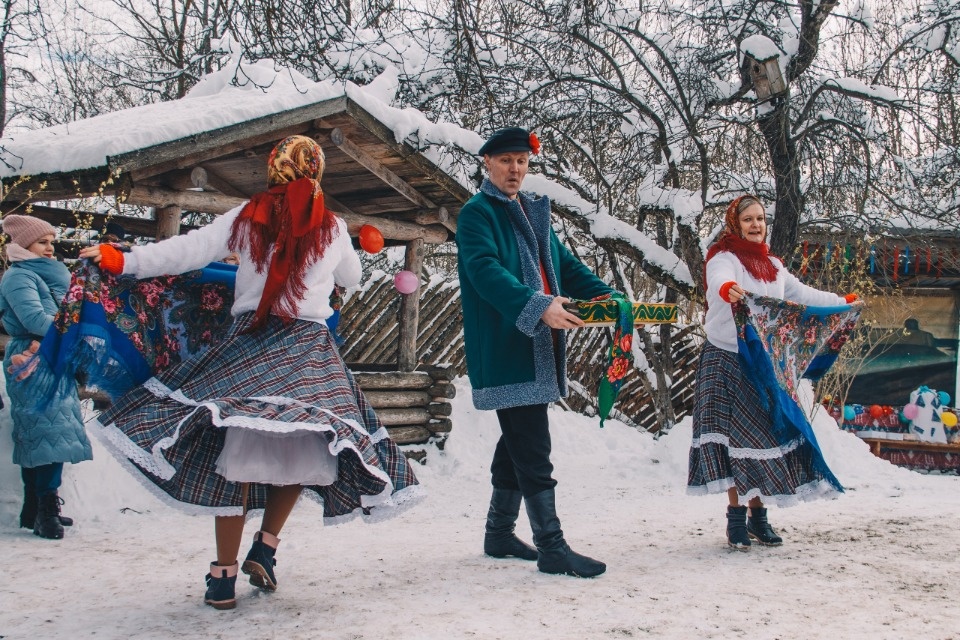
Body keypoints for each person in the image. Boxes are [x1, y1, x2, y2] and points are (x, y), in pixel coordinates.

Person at [78, 135, 421, 609]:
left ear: (273, 168)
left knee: (236, 454)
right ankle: (267, 545)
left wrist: (126, 260)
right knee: (309, 442)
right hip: (306, 350)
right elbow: (351, 280)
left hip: (251, 342)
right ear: (316, 171)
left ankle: (223, 576)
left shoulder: (246, 215)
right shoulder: (333, 225)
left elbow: (187, 251)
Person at [456, 126, 617, 578]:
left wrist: (611, 300)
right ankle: (552, 547)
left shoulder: (533, 212)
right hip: (508, 349)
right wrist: (538, 305)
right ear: (487, 162)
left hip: (539, 346)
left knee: (516, 441)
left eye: (522, 161)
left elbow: (566, 267)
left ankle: (499, 532)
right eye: (506, 160)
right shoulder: (476, 214)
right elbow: (485, 271)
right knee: (533, 447)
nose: (515, 168)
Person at [689, 194, 860, 551]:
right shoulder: (724, 259)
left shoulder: (774, 267)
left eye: (760, 219)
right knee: (733, 440)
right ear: (735, 223)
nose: (756, 225)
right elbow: (719, 282)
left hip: (763, 367)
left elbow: (804, 295)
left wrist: (842, 302)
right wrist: (726, 289)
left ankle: (758, 518)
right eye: (748, 219)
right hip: (726, 361)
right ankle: (736, 519)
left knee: (762, 437)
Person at [1, 214, 91, 539]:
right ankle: (45, 510)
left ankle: (37, 507)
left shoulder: (43, 276)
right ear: (24, 244)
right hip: (31, 357)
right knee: (46, 432)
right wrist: (75, 332)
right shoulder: (18, 277)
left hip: (51, 354)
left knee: (48, 432)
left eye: (52, 242)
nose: (50, 248)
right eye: (43, 242)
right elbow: (33, 318)